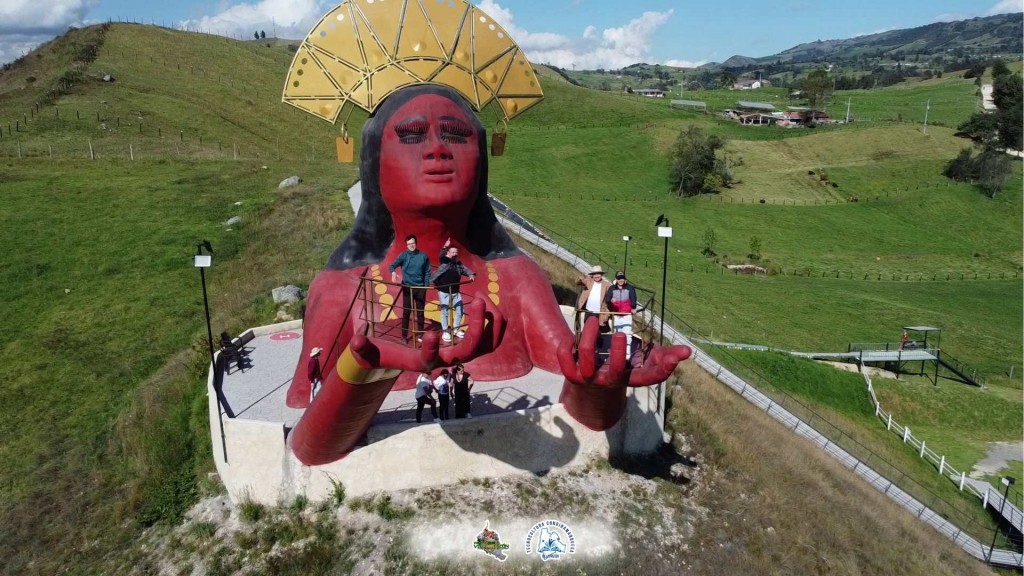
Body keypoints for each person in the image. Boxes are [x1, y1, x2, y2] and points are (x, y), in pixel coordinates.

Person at [286, 85, 691, 466]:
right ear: (373, 162)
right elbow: (310, 449)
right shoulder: (341, 291)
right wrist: (365, 370)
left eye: (455, 135)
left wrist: (601, 387)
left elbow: (577, 379)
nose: (437, 150)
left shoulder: (517, 278)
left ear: (480, 160)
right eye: (412, 135)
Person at [389, 234, 431, 343]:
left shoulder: (423, 256)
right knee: (406, 312)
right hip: (407, 288)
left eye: (412, 243)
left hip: (420, 288)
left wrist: (425, 286)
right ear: (406, 245)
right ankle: (404, 336)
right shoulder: (403, 255)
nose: (411, 246)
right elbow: (392, 266)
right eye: (409, 244)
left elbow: (427, 271)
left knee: (420, 312)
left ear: (416, 243)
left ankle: (420, 335)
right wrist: (393, 272)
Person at [431, 238, 475, 343]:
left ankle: (456, 329)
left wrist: (471, 274)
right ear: (449, 253)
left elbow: (465, 269)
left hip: (455, 291)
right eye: (452, 252)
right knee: (445, 312)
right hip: (444, 292)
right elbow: (441, 255)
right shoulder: (445, 261)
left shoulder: (458, 264)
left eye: (456, 252)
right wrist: (445, 246)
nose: (454, 254)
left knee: (460, 310)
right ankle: (446, 332)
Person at [576, 265, 611, 329]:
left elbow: (609, 299)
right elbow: (578, 283)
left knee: (598, 330)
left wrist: (607, 314)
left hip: (599, 312)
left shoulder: (607, 284)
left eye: (598, 274)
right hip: (588, 310)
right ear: (592, 275)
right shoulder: (589, 281)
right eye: (595, 274)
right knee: (587, 328)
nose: (597, 276)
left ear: (601, 274)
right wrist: (580, 279)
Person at [604, 272, 638, 336]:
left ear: (625, 279)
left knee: (627, 335)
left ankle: (627, 346)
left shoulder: (630, 288)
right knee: (617, 335)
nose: (621, 280)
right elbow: (607, 300)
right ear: (616, 279)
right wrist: (611, 300)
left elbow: (633, 300)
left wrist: (633, 308)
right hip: (615, 316)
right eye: (619, 278)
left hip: (627, 316)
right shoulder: (612, 288)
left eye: (622, 278)